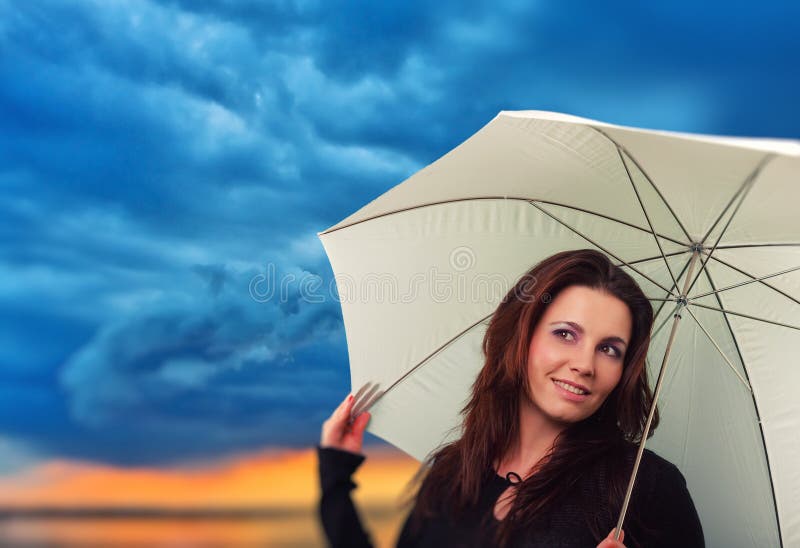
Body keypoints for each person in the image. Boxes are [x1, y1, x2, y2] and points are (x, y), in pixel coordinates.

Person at [317, 249, 705, 547]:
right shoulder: (452, 471)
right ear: (522, 337)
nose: (585, 364)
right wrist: (335, 474)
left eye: (609, 349)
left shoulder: (644, 490)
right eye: (566, 334)